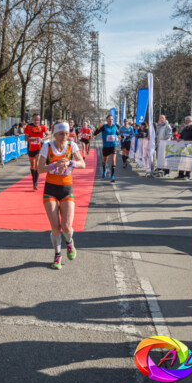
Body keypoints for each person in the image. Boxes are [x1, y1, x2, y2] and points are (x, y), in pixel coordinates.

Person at [36, 120, 85, 269]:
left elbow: (82, 163)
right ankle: (57, 255)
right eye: (61, 134)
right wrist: (54, 165)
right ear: (55, 134)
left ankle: (69, 242)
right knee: (56, 228)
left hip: (66, 189)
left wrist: (71, 163)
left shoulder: (72, 145)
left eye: (66, 133)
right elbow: (39, 168)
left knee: (67, 226)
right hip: (50, 189)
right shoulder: (47, 147)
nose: (64, 137)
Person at [24, 114, 49, 190]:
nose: (36, 121)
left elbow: (48, 135)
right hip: (31, 148)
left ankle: (35, 182)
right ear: (32, 119)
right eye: (35, 119)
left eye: (38, 120)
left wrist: (42, 139)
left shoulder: (42, 126)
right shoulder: (28, 127)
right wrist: (33, 139)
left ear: (39, 120)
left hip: (39, 148)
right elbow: (26, 138)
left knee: (37, 164)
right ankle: (33, 179)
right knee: (32, 165)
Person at [94, 115, 121, 182]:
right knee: (104, 160)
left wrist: (118, 135)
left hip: (113, 145)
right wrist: (97, 127)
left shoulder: (114, 126)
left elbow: (116, 132)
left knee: (113, 160)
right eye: (109, 119)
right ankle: (104, 170)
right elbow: (95, 134)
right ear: (106, 120)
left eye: (111, 119)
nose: (110, 120)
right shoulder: (104, 127)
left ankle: (112, 176)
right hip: (106, 146)